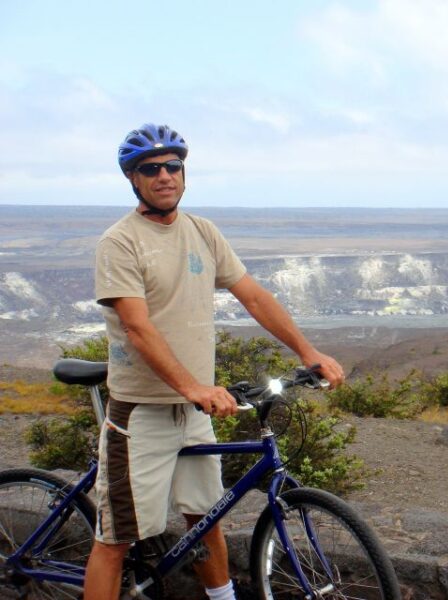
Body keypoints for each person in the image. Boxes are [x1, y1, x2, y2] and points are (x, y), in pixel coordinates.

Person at [84, 123, 345, 600]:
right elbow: (138, 327)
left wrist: (308, 352)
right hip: (141, 413)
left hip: (195, 412)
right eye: (151, 168)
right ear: (132, 178)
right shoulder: (120, 242)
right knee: (116, 539)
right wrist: (192, 387)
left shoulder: (202, 231)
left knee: (206, 517)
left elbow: (254, 296)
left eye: (173, 166)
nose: (164, 175)